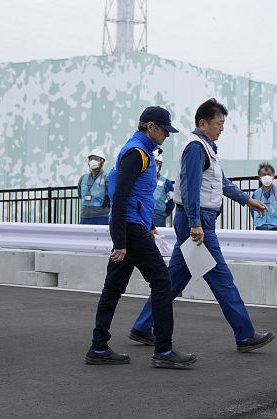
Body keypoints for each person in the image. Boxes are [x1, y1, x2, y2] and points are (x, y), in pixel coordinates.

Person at [130, 99, 275, 353]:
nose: (222, 128)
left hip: (194, 221)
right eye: (219, 123)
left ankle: (142, 326)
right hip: (197, 223)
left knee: (173, 279)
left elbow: (222, 183)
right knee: (222, 279)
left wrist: (247, 200)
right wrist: (197, 223)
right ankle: (245, 334)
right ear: (203, 123)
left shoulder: (207, 148)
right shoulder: (197, 148)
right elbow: (190, 188)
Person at [88, 106, 196, 368]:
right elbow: (121, 197)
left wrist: (147, 226)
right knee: (161, 281)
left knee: (113, 287)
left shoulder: (142, 152)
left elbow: (136, 197)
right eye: (164, 131)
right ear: (151, 127)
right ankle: (164, 350)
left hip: (134, 227)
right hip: (129, 228)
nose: (167, 137)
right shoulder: (136, 154)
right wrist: (121, 241)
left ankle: (99, 347)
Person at [251, 162, 277, 231]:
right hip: (260, 228)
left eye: (269, 174)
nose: (266, 176)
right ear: (260, 178)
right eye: (263, 175)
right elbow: (252, 211)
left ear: (273, 177)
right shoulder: (255, 194)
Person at [79, 148, 110, 225]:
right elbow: (80, 194)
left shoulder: (106, 177)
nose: (93, 161)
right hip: (84, 216)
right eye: (91, 159)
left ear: (102, 162)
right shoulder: (83, 178)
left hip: (101, 217)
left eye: (96, 159)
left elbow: (111, 196)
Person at [151, 152, 175, 228]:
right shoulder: (141, 181)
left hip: (159, 217)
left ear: (160, 166)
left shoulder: (166, 183)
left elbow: (171, 202)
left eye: (156, 163)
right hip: (143, 215)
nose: (154, 166)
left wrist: (164, 214)